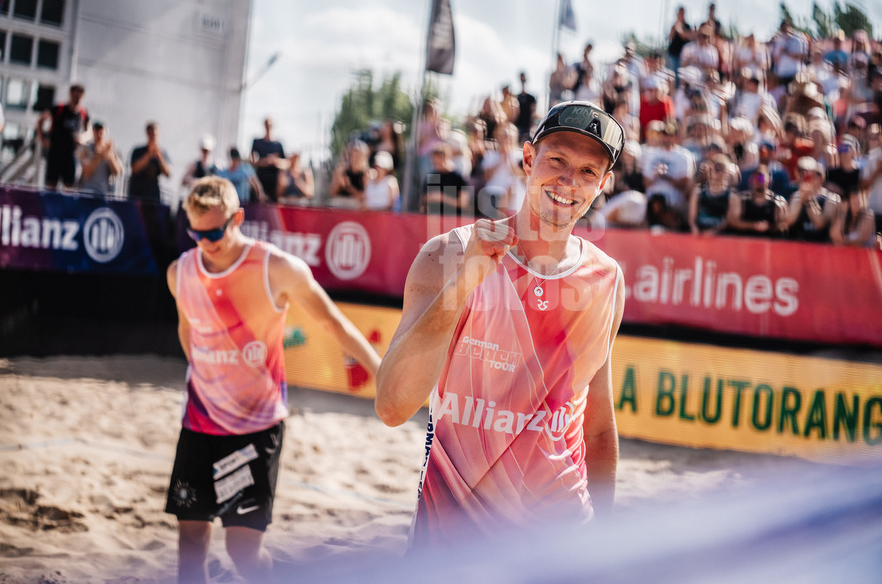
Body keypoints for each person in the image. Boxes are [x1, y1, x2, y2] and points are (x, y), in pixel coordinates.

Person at [375, 100, 625, 548]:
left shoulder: (606, 277)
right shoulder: (448, 254)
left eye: (589, 172)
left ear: (604, 185)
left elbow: (598, 426)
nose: (570, 181)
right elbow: (392, 405)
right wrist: (467, 280)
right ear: (528, 159)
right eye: (558, 160)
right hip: (454, 543)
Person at [166, 176, 381, 583]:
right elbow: (185, 330)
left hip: (256, 427)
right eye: (196, 232)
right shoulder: (181, 273)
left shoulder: (277, 268)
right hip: (198, 424)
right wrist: (208, 371)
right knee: (190, 543)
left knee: (243, 553)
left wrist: (381, 373)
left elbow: (334, 324)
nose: (205, 241)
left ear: (238, 219)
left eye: (214, 231)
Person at [36, 83, 90, 190]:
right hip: (55, 154)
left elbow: (89, 131)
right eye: (75, 95)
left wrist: (82, 138)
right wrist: (42, 138)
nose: (77, 99)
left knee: (69, 187)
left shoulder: (83, 113)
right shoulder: (59, 109)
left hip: (71, 155)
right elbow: (41, 119)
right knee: (51, 186)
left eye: (79, 96)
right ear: (70, 95)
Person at [421, 142, 470, 216]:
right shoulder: (431, 176)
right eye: (435, 161)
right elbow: (423, 199)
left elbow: (463, 203)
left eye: (439, 160)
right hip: (434, 218)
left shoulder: (458, 177)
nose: (437, 164)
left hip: (453, 218)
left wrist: (442, 198)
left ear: (447, 157)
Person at [76, 120, 122, 197]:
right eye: (97, 132)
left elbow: (117, 172)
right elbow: (86, 173)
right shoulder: (86, 149)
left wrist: (110, 156)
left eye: (101, 132)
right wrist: (99, 157)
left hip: (105, 192)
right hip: (88, 191)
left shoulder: (111, 149)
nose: (99, 135)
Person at [128, 122, 172, 201]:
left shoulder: (162, 152)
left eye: (155, 131)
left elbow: (168, 173)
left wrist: (160, 157)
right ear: (147, 133)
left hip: (153, 196)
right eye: (151, 131)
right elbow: (134, 169)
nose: (153, 134)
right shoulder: (138, 150)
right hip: (137, 194)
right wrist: (149, 155)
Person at [251, 118, 286, 203]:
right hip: (260, 182)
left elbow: (286, 163)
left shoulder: (278, 144)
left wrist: (275, 161)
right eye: (266, 124)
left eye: (270, 125)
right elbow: (252, 161)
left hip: (274, 184)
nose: (268, 127)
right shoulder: (257, 142)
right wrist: (265, 162)